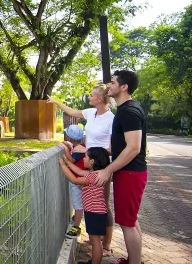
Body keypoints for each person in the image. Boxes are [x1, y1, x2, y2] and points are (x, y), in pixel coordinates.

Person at [47, 84, 115, 257]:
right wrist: (55, 102)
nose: (89, 98)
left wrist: (88, 151)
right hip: (88, 165)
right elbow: (71, 111)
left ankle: (105, 245)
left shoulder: (111, 119)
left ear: (99, 99)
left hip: (101, 167)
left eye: (91, 95)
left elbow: (113, 148)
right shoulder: (90, 113)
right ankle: (96, 238)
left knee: (102, 205)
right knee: (92, 203)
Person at [95, 70, 147, 264]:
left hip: (130, 172)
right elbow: (123, 146)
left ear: (124, 87)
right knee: (131, 220)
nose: (109, 85)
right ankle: (135, 259)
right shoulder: (127, 109)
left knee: (127, 223)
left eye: (113, 82)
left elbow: (133, 148)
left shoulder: (129, 111)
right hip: (129, 171)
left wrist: (108, 170)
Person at [58, 147, 111, 264]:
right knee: (95, 240)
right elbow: (79, 171)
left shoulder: (92, 177)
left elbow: (75, 180)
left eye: (86, 157)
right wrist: (67, 162)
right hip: (96, 212)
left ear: (92, 161)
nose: (83, 159)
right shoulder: (94, 174)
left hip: (94, 212)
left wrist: (62, 166)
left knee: (95, 241)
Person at [60, 125, 86, 239]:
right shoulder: (81, 147)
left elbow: (72, 160)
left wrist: (65, 149)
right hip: (78, 179)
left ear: (70, 138)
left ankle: (76, 227)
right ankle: (76, 220)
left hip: (77, 181)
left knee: (78, 205)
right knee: (78, 203)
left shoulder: (78, 150)